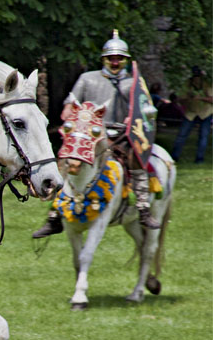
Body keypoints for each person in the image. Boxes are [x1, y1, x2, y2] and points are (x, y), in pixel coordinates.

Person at [32, 30, 161, 238]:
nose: (115, 62)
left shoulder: (134, 83)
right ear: (104, 59)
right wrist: (69, 116)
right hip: (88, 135)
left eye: (119, 58)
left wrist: (134, 118)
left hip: (122, 135)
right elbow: (69, 104)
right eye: (111, 58)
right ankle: (55, 216)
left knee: (136, 159)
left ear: (126, 60)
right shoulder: (87, 79)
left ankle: (143, 207)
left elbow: (146, 110)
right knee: (65, 161)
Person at [171, 66, 212, 164]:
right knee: (181, 135)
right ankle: (174, 157)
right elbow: (180, 99)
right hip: (191, 112)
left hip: (205, 112)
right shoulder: (188, 83)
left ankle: (199, 159)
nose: (196, 78)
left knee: (203, 136)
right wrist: (187, 98)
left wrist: (200, 98)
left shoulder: (208, 83)